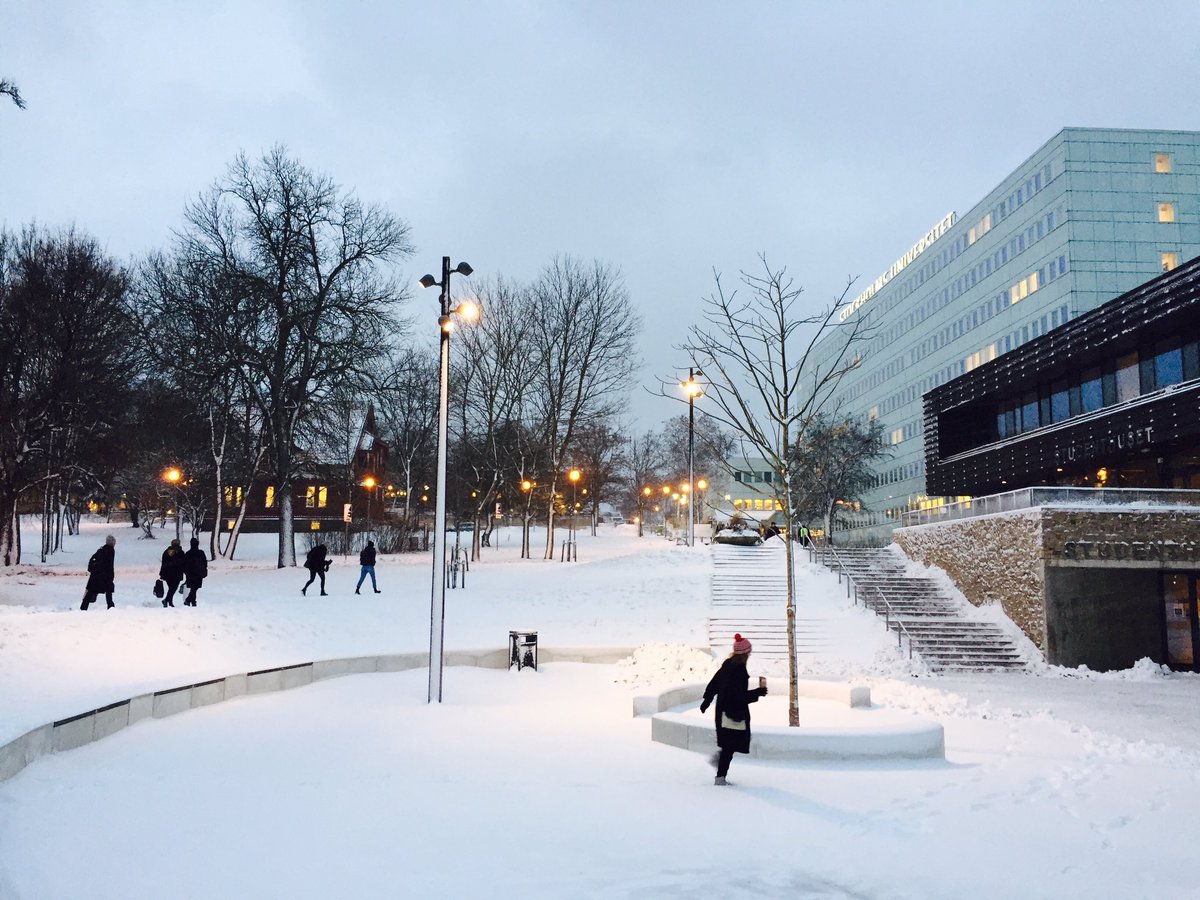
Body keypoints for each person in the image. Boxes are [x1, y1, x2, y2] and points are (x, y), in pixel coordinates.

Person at [700, 633, 767, 785]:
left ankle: (720, 763)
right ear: (745, 654)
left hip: (723, 711)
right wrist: (758, 692)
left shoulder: (728, 664)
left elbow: (714, 682)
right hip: (732, 713)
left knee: (730, 744)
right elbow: (739, 696)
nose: (750, 654)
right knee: (731, 744)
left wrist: (706, 700)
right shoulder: (739, 671)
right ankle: (720, 776)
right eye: (749, 652)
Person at [80, 534, 117, 610]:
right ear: (112, 543)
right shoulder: (110, 550)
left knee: (91, 591)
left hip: (95, 575)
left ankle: (83, 607)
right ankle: (110, 607)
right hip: (104, 576)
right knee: (108, 591)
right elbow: (109, 564)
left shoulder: (101, 549)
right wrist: (111, 575)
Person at [158, 538, 186, 607]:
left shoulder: (166, 552)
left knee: (171, 588)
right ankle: (167, 601)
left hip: (167, 574)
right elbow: (183, 562)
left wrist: (162, 573)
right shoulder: (180, 552)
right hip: (176, 573)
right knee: (173, 588)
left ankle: (169, 601)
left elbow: (164, 563)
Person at [181, 537, 208, 606]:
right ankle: (190, 600)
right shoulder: (201, 553)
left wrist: (186, 572)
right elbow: (205, 562)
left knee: (193, 588)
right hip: (199, 573)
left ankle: (191, 601)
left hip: (190, 574)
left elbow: (183, 564)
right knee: (195, 588)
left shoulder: (188, 553)